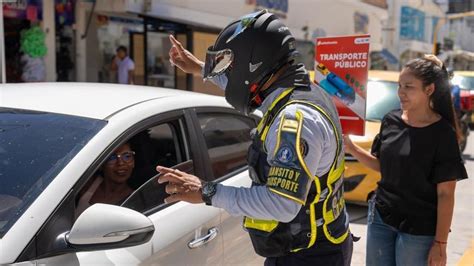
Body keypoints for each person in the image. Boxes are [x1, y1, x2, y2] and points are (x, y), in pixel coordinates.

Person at [156, 10, 353, 266]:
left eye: (230, 66)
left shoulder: (295, 121)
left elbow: (282, 204)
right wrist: (200, 69)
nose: (228, 74)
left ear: (255, 63)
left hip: (309, 256)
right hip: (309, 246)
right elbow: (253, 89)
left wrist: (206, 192)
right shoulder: (300, 87)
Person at [344, 55, 468, 266]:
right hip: (381, 218)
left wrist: (440, 243)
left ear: (429, 90)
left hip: (419, 229)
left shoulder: (443, 134)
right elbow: (383, 167)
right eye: (400, 85)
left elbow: (446, 194)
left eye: (409, 87)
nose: (401, 92)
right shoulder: (391, 120)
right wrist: (352, 148)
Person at [76, 143, 135, 216]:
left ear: (133, 163)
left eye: (127, 156)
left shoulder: (134, 198)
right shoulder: (86, 185)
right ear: (101, 165)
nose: (120, 163)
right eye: (112, 157)